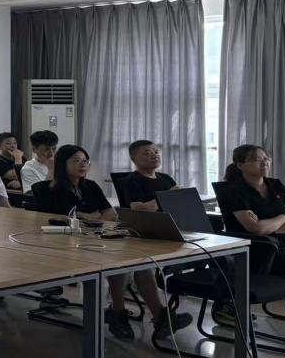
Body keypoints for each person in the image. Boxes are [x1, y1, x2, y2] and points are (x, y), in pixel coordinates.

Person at [35, 145, 192, 340]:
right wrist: (90, 217)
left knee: (141, 260)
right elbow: (61, 219)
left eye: (85, 161)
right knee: (120, 261)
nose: (82, 165)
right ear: (62, 164)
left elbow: (110, 213)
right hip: (68, 245)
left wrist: (90, 217)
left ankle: (157, 316)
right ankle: (120, 312)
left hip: (98, 238)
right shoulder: (51, 189)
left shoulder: (90, 186)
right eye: (75, 161)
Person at [219, 144, 285, 347]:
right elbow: (256, 230)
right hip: (262, 254)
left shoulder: (275, 184)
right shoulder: (234, 191)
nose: (265, 162)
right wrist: (283, 216)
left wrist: (273, 228)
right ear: (240, 165)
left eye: (266, 158)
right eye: (256, 159)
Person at [123, 140, 178, 211]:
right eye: (147, 153)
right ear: (133, 159)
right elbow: (138, 210)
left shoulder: (166, 177)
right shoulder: (132, 180)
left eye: (156, 152)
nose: (155, 156)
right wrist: (168, 196)